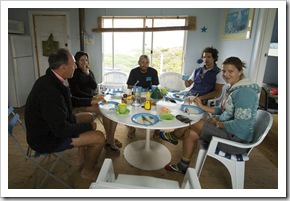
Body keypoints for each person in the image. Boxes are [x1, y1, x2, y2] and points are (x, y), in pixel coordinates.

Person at [160, 56, 260, 174]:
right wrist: (202, 107)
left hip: (236, 142)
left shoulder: (245, 93)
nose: (226, 74)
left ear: (240, 71)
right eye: (224, 71)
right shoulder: (234, 88)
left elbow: (241, 125)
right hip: (229, 134)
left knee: (191, 120)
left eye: (231, 71)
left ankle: (173, 136)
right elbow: (223, 110)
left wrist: (218, 123)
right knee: (190, 133)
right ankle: (183, 166)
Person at [25, 48, 105, 181]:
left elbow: (70, 100)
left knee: (88, 115)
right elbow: (61, 130)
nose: (75, 66)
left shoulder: (52, 80)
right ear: (63, 67)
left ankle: (81, 156)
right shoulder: (49, 92)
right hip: (47, 138)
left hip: (52, 126)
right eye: (73, 63)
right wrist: (88, 127)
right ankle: (87, 171)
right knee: (99, 137)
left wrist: (92, 99)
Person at [68, 51, 122, 152]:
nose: (85, 62)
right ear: (77, 62)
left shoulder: (88, 71)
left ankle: (110, 138)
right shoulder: (74, 73)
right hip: (81, 103)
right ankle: (110, 140)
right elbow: (76, 93)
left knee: (113, 110)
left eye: (86, 60)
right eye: (82, 60)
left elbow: (94, 86)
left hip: (92, 99)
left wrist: (87, 74)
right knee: (106, 111)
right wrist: (92, 98)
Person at [126, 54, 159, 138]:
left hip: (150, 95)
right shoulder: (133, 71)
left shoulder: (153, 72)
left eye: (147, 63)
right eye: (143, 62)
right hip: (137, 95)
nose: (145, 64)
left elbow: (155, 87)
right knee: (132, 107)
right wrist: (138, 89)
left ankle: (157, 129)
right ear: (139, 63)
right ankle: (132, 127)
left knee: (157, 106)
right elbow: (129, 86)